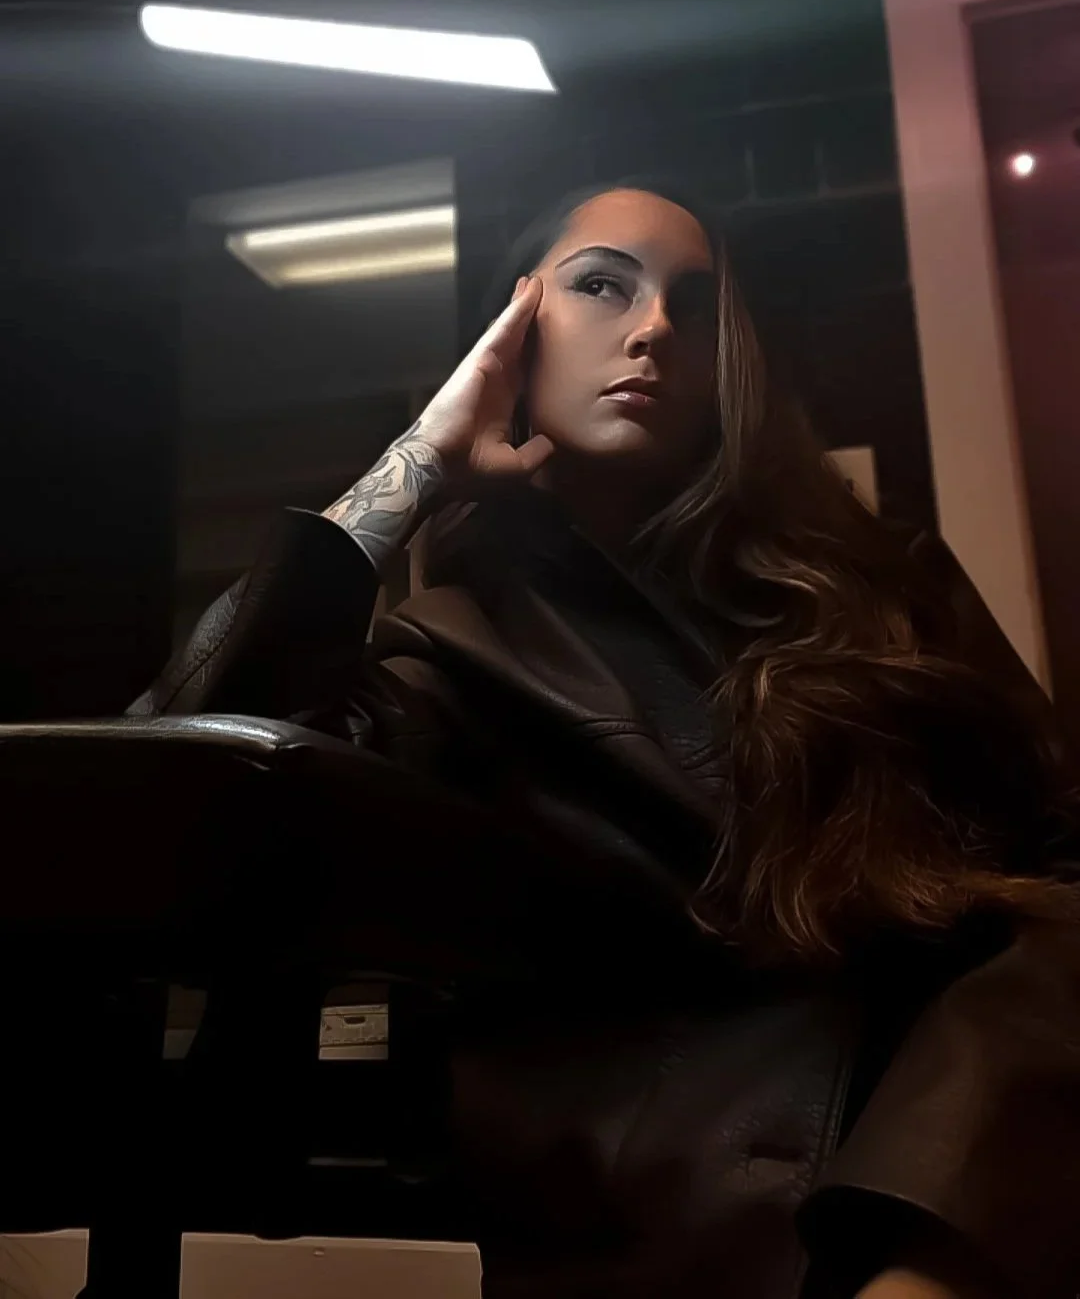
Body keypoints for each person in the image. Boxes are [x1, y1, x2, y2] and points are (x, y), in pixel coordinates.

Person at [135, 183, 1080, 1299]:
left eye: (695, 303)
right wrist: (417, 464)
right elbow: (178, 786)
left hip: (947, 1212)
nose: (655, 329)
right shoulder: (454, 652)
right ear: (515, 334)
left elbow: (1060, 876)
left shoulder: (891, 588)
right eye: (602, 285)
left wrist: (935, 1238)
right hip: (656, 1239)